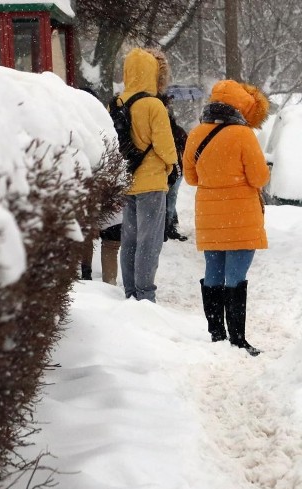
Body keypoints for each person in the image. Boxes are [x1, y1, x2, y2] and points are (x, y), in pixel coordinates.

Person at [183, 80, 270, 356]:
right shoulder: (244, 136)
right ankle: (238, 338)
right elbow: (258, 177)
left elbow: (191, 177)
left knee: (213, 273)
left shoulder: (196, 134)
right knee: (235, 276)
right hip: (241, 217)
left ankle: (216, 335)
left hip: (209, 217)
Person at [116, 47, 178, 302]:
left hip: (127, 178)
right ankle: (145, 294)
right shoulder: (153, 104)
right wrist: (171, 166)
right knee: (149, 241)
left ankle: (130, 290)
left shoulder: (118, 101)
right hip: (151, 181)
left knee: (129, 239)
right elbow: (166, 147)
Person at [162, 95, 189, 242]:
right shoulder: (177, 131)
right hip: (176, 169)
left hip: (169, 169)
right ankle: (169, 225)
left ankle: (168, 224)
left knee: (168, 197)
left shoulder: (170, 130)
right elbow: (187, 149)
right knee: (170, 198)